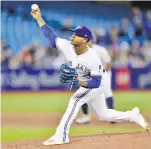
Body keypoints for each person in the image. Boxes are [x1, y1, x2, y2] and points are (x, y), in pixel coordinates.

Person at [31, 6, 150, 146]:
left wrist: (78, 81)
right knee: (103, 115)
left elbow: (96, 82)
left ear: (85, 39)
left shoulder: (92, 57)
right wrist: (39, 18)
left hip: (99, 81)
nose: (73, 35)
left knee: (75, 100)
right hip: (89, 81)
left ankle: (61, 135)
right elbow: (51, 37)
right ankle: (132, 115)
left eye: (77, 34)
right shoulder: (68, 46)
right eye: (74, 33)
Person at [76, 42, 115, 124]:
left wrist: (105, 76)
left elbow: (108, 62)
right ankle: (86, 117)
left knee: (107, 92)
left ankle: (112, 115)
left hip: (104, 74)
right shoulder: (82, 51)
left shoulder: (100, 49)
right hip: (90, 75)